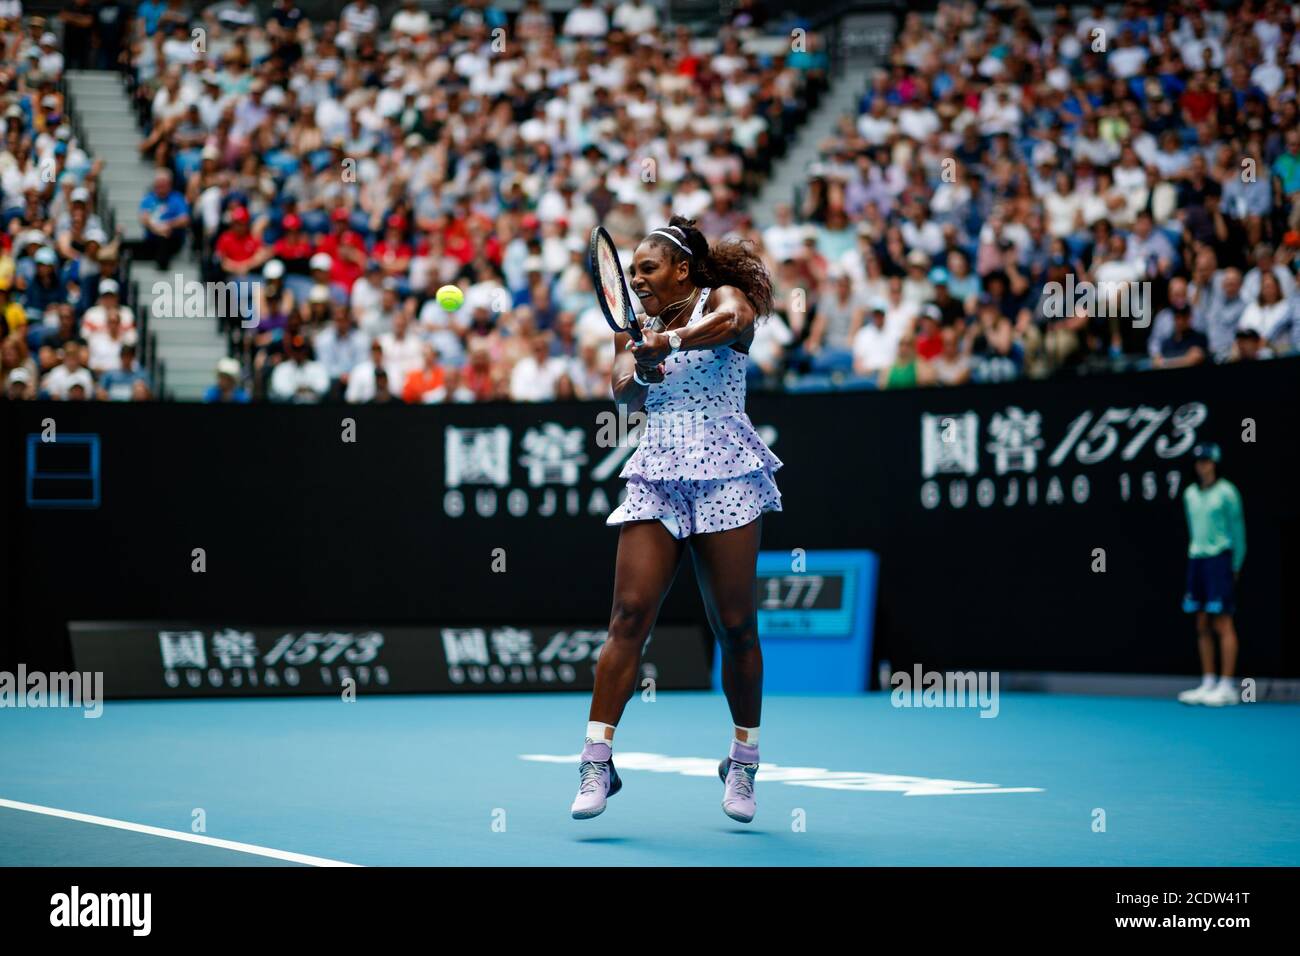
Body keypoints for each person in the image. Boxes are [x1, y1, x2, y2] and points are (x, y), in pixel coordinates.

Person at [572, 217, 781, 825]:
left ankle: (743, 760)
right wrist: (641, 368)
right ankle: (596, 759)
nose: (636, 280)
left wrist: (671, 342)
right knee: (628, 615)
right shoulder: (634, 327)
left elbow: (735, 322)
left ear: (682, 270)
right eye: (632, 271)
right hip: (658, 471)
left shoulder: (721, 298)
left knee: (736, 627)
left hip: (727, 470)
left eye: (648, 268)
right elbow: (621, 393)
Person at [1177, 443, 1246, 707]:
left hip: (1220, 559)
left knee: (1223, 623)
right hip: (1197, 560)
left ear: (1215, 463)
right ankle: (1208, 682)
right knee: (1202, 622)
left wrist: (1235, 564)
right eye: (1199, 462)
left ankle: (1227, 686)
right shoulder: (1190, 494)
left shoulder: (1227, 492)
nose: (1202, 466)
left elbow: (1238, 531)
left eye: (1206, 461)